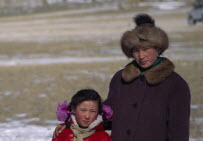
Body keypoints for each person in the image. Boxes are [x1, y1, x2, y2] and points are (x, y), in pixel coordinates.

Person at [53, 13, 191, 141]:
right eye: (136, 51)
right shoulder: (121, 79)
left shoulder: (176, 85)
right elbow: (103, 117)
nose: (141, 56)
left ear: (158, 48)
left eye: (146, 49)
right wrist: (70, 125)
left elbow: (179, 132)